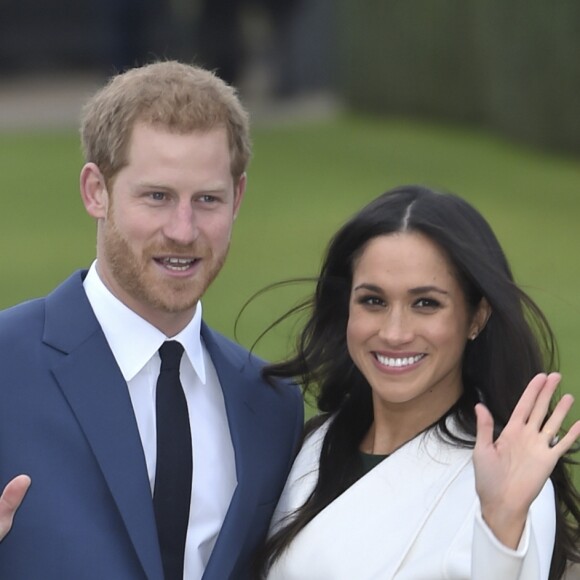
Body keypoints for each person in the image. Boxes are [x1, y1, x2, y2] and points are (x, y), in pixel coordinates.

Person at [0, 60, 304, 579]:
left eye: (207, 200)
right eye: (157, 197)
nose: (183, 231)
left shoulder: (270, 405)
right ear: (97, 191)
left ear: (239, 199)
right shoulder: (7, 364)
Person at [257, 185, 580, 579]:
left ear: (476, 317)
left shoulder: (510, 479)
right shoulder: (310, 446)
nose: (394, 333)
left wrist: (501, 526)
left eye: (425, 303)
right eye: (373, 301)